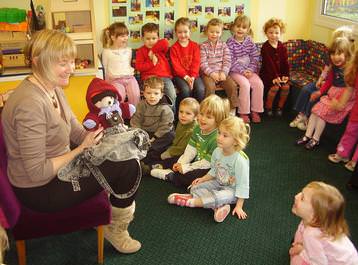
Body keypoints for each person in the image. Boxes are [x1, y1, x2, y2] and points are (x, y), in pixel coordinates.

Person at [1, 29, 141, 254]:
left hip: (59, 168)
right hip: (39, 189)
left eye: (72, 61)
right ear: (37, 61)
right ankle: (117, 228)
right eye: (63, 63)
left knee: (124, 150)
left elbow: (75, 130)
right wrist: (83, 149)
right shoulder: (30, 104)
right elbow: (37, 172)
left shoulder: (52, 87)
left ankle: (109, 212)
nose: (72, 69)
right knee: (128, 166)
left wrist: (103, 138)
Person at [167, 116, 250, 223]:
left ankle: (191, 202)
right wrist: (203, 179)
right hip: (217, 182)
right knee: (194, 187)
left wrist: (239, 206)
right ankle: (216, 207)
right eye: (219, 133)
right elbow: (214, 170)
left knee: (221, 196)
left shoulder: (240, 160)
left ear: (235, 141)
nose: (219, 137)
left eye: (225, 136)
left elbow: (243, 184)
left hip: (232, 191)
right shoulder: (217, 151)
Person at [150, 94, 230, 188]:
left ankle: (170, 176)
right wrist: (182, 163)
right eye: (201, 114)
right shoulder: (197, 128)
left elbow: (207, 163)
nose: (202, 119)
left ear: (218, 120)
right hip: (196, 160)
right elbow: (191, 149)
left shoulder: (217, 139)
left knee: (190, 177)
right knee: (175, 159)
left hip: (209, 167)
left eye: (208, 117)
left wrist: (186, 168)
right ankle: (157, 166)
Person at [290, 25, 355, 131]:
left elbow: (346, 86)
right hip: (325, 81)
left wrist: (322, 88)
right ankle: (301, 114)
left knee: (316, 96)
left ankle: (307, 117)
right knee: (306, 89)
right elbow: (326, 70)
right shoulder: (331, 55)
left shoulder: (348, 64)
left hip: (334, 88)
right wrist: (320, 80)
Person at [296, 37, 355, 150]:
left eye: (339, 53)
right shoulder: (334, 67)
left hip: (342, 98)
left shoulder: (350, 69)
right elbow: (328, 81)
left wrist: (340, 101)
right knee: (315, 111)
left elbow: (350, 89)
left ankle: (315, 139)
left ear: (347, 54)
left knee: (321, 114)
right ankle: (307, 136)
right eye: (333, 54)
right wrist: (320, 92)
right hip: (332, 94)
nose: (335, 57)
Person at [289, 181, 358, 264]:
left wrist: (301, 251)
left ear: (315, 216)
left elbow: (319, 263)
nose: (296, 196)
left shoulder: (311, 234)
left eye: (302, 198)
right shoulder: (322, 221)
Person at [130, 76, 174, 169]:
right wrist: (140, 134)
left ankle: (145, 155)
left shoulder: (165, 108)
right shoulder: (141, 105)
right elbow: (136, 120)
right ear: (144, 94)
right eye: (148, 93)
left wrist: (155, 137)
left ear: (161, 95)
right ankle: (146, 153)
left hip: (158, 135)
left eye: (156, 93)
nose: (152, 96)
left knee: (171, 136)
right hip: (144, 133)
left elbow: (165, 126)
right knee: (129, 135)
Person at [227, 15, 264, 123]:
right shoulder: (230, 42)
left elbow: (255, 57)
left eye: (243, 27)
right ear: (233, 28)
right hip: (235, 71)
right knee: (245, 85)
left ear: (247, 30)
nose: (240, 29)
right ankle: (243, 112)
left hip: (249, 70)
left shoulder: (250, 42)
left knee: (258, 84)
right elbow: (231, 60)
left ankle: (255, 110)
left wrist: (250, 70)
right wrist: (242, 71)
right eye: (238, 26)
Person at [328, 43, 358, 172]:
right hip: (357, 111)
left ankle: (355, 161)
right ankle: (342, 154)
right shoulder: (355, 70)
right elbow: (349, 89)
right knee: (350, 132)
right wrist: (340, 104)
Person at [200, 18, 238, 115]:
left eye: (217, 32)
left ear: (221, 33)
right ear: (207, 32)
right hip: (208, 73)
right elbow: (203, 63)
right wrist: (212, 73)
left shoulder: (224, 45)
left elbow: (227, 60)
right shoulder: (203, 46)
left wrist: (224, 73)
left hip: (222, 73)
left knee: (232, 86)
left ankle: (232, 109)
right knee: (210, 86)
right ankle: (209, 110)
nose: (214, 34)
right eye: (211, 32)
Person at [135, 23, 176, 111]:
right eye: (148, 39)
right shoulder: (141, 51)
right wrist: (152, 63)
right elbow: (139, 66)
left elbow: (165, 42)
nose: (151, 41)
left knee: (171, 94)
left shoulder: (159, 48)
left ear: (158, 38)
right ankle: (153, 118)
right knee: (153, 96)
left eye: (154, 38)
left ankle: (171, 119)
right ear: (142, 39)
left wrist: (152, 51)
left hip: (164, 78)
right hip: (149, 78)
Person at [150, 97, 199, 171]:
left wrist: (166, 154)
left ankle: (150, 167)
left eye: (188, 113)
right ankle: (149, 154)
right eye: (181, 112)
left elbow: (181, 149)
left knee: (171, 161)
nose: (183, 115)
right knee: (168, 136)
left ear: (195, 117)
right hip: (174, 147)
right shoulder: (183, 121)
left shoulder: (191, 131)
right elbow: (176, 139)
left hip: (183, 153)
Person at [101, 22, 140, 106]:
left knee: (135, 95)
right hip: (115, 80)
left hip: (130, 78)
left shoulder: (129, 50)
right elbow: (105, 69)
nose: (126, 38)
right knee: (120, 96)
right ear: (113, 37)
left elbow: (129, 65)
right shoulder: (107, 52)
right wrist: (106, 85)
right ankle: (119, 116)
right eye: (122, 36)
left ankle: (134, 116)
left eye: (126, 35)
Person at [170, 17, 205, 108]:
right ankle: (182, 112)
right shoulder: (174, 48)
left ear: (190, 32)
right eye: (180, 32)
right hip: (180, 76)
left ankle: (196, 112)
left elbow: (196, 62)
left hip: (194, 75)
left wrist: (192, 77)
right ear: (176, 33)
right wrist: (186, 77)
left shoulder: (195, 46)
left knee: (200, 89)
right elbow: (176, 66)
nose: (183, 35)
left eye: (185, 32)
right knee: (185, 90)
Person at [260, 18, 290, 117]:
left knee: (286, 87)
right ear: (266, 33)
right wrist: (275, 77)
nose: (273, 35)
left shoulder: (282, 46)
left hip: (280, 74)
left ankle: (280, 107)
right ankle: (268, 107)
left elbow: (285, 62)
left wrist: (285, 75)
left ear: (280, 33)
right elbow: (269, 64)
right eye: (270, 32)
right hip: (268, 74)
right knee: (275, 88)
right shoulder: (265, 47)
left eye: (276, 33)